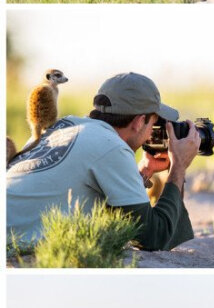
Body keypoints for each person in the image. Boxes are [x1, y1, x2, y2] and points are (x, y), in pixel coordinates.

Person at [6, 70, 199, 257]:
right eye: (153, 124)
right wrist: (179, 166)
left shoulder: (63, 126)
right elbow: (154, 237)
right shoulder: (112, 147)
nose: (151, 133)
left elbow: (110, 208)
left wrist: (145, 171)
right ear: (140, 121)